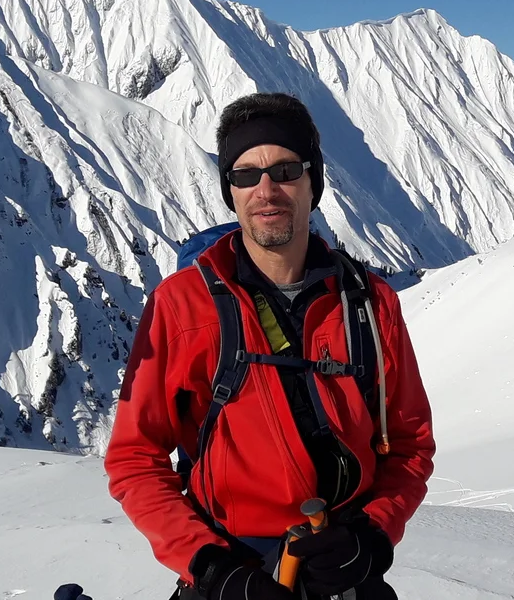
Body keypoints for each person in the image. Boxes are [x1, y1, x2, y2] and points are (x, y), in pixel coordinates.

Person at [104, 93, 435, 599]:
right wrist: (210, 566)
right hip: (231, 570)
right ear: (230, 191)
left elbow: (409, 445)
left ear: (312, 182)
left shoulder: (370, 305)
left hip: (346, 570)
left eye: (285, 170)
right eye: (245, 175)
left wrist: (372, 538)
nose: (266, 189)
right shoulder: (182, 306)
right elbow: (135, 458)